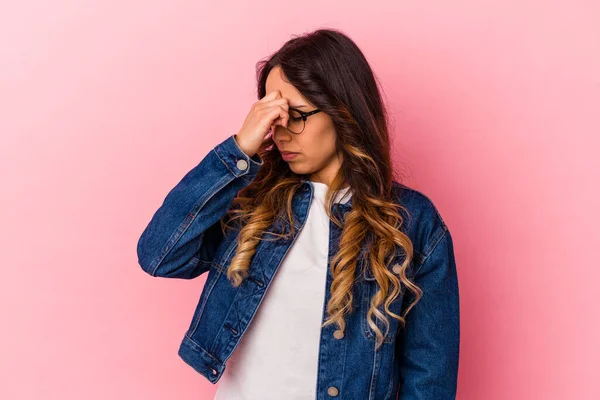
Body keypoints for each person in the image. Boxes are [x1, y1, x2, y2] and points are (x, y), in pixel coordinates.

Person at [137, 28, 460, 400]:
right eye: (273, 116)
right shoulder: (254, 206)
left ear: (343, 111)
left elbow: (430, 378)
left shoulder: (412, 224)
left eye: (297, 116)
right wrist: (240, 149)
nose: (282, 133)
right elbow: (159, 255)